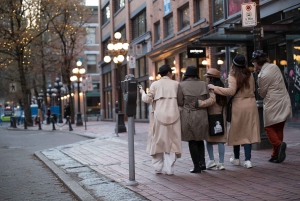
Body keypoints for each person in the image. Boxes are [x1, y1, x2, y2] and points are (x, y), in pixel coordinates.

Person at [208, 54, 261, 169]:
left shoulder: (233, 75)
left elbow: (231, 92)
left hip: (239, 104)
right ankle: (248, 160)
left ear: (234, 64)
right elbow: (252, 89)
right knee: (248, 131)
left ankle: (236, 158)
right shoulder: (250, 75)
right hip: (251, 104)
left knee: (237, 131)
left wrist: (214, 88)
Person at [140, 64, 182, 175]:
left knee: (158, 141)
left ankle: (158, 167)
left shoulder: (155, 84)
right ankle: (169, 169)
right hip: (175, 116)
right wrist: (179, 109)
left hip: (159, 116)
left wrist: (142, 92)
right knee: (172, 142)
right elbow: (182, 101)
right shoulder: (176, 84)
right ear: (169, 73)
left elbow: (147, 99)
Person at [252, 50, 292, 163]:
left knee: (268, 127)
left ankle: (279, 145)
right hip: (284, 100)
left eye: (253, 62)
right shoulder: (274, 67)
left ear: (256, 62)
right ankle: (275, 154)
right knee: (279, 126)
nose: (253, 65)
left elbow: (262, 93)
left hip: (272, 102)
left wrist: (257, 78)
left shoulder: (262, 75)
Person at [177, 66, 215, 173]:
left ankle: (196, 166)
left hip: (189, 115)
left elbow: (180, 101)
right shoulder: (204, 84)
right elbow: (208, 98)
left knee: (192, 140)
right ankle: (202, 163)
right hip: (202, 115)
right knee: (200, 139)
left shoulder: (181, 85)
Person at [195, 68, 228, 170]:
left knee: (208, 139)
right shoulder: (222, 87)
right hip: (222, 115)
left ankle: (211, 160)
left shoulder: (209, 87)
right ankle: (221, 162)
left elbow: (210, 101)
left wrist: (199, 103)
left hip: (210, 115)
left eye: (208, 77)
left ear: (210, 78)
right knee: (221, 140)